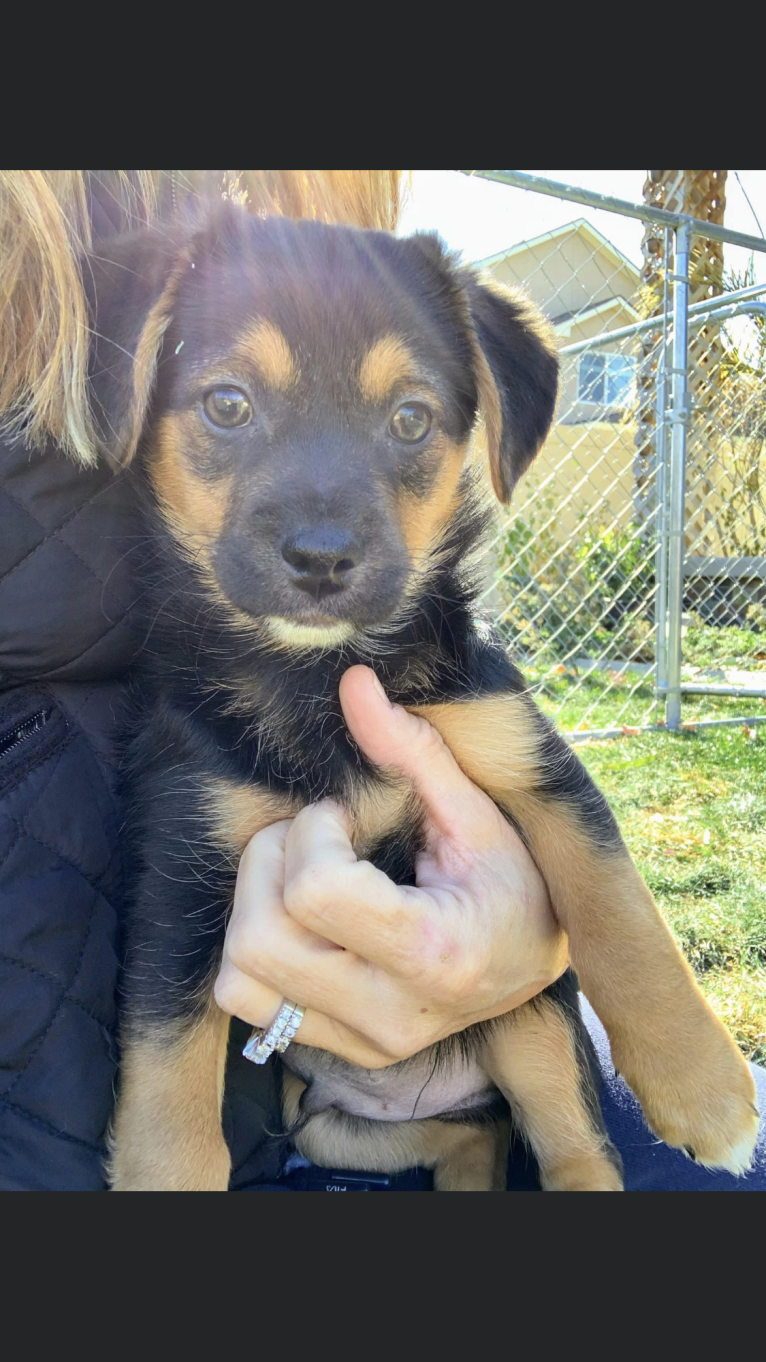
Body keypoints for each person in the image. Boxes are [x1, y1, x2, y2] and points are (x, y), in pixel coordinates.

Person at [0, 171, 763, 1192]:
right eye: (231, 404)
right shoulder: (197, 718)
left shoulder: (457, 680)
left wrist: (612, 989)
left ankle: (560, 1158)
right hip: (236, 1105)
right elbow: (177, 938)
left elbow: (561, 812)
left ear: (482, 434)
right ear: (128, 388)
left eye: (408, 421)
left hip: (472, 1028)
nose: (322, 524)